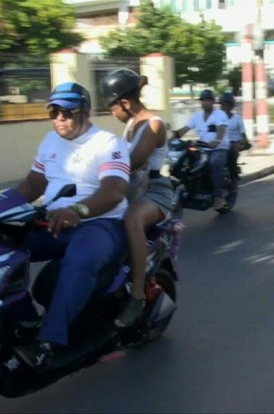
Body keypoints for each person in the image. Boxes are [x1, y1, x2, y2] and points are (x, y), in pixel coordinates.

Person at [15, 82, 130, 366]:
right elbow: (33, 185)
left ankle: (49, 341)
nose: (59, 118)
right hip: (53, 221)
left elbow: (114, 191)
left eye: (67, 111)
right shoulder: (49, 141)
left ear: (85, 112)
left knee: (79, 259)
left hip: (101, 222)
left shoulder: (108, 143)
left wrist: (78, 209)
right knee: (3, 244)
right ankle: (23, 319)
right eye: (53, 111)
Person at [98, 68, 173, 328]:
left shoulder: (153, 125)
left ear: (125, 103)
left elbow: (133, 161)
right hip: (130, 188)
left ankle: (137, 296)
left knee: (131, 219)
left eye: (112, 108)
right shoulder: (131, 124)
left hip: (154, 190)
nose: (112, 113)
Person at [174, 89, 230, 209]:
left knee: (214, 163)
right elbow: (184, 130)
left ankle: (218, 196)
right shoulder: (196, 117)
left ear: (213, 102)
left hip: (219, 148)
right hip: (203, 148)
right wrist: (171, 136)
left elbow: (221, 128)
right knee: (185, 162)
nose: (205, 103)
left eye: (207, 100)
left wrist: (217, 141)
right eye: (203, 100)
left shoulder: (220, 114)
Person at [218, 92, 249, 187]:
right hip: (219, 144)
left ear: (230, 106)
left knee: (231, 152)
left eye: (224, 104)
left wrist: (240, 144)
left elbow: (244, 137)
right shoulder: (216, 118)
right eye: (221, 104)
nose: (222, 107)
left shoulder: (237, 119)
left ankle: (233, 179)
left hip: (232, 144)